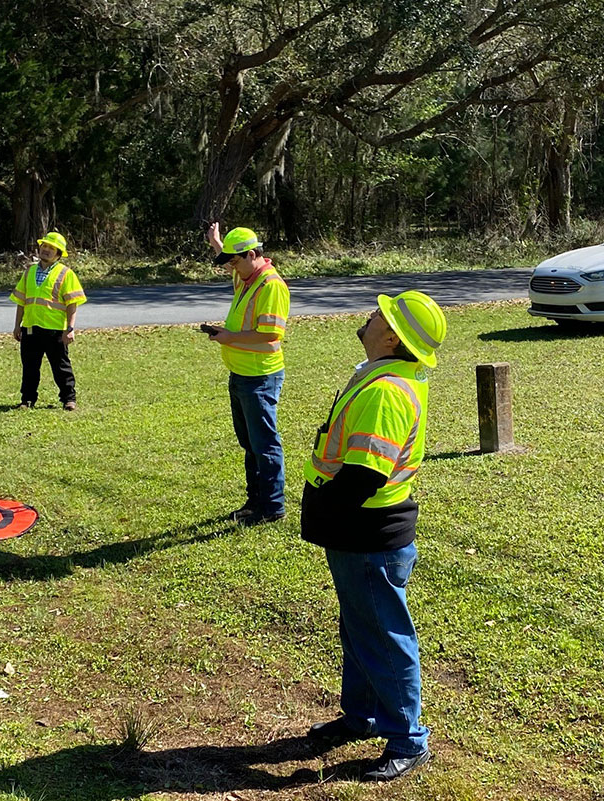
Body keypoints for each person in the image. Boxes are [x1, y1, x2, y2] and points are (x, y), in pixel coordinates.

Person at [299, 289, 447, 782]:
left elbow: (364, 476)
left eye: (378, 314)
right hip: (361, 532)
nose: (368, 315)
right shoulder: (389, 376)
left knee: (385, 635)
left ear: (390, 335)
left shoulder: (386, 391)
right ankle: (360, 716)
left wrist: (324, 511)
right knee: (361, 627)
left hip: (367, 534)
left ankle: (408, 738)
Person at [204, 223, 290, 526]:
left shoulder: (270, 285)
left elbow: (270, 335)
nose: (231, 267)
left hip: (259, 378)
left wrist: (229, 338)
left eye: (235, 260)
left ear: (253, 254)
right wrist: (217, 244)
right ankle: (255, 502)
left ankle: (272, 506)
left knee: (264, 444)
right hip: (240, 374)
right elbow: (229, 259)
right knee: (250, 444)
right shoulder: (246, 275)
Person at [10, 231, 86, 411]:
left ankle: (69, 399)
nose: (46, 250)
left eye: (52, 248)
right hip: (30, 328)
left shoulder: (66, 274)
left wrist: (70, 328)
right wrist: (17, 326)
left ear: (59, 254)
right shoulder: (29, 271)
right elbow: (21, 301)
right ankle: (27, 400)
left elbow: (72, 304)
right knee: (29, 368)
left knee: (61, 367)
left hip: (54, 330)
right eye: (44, 246)